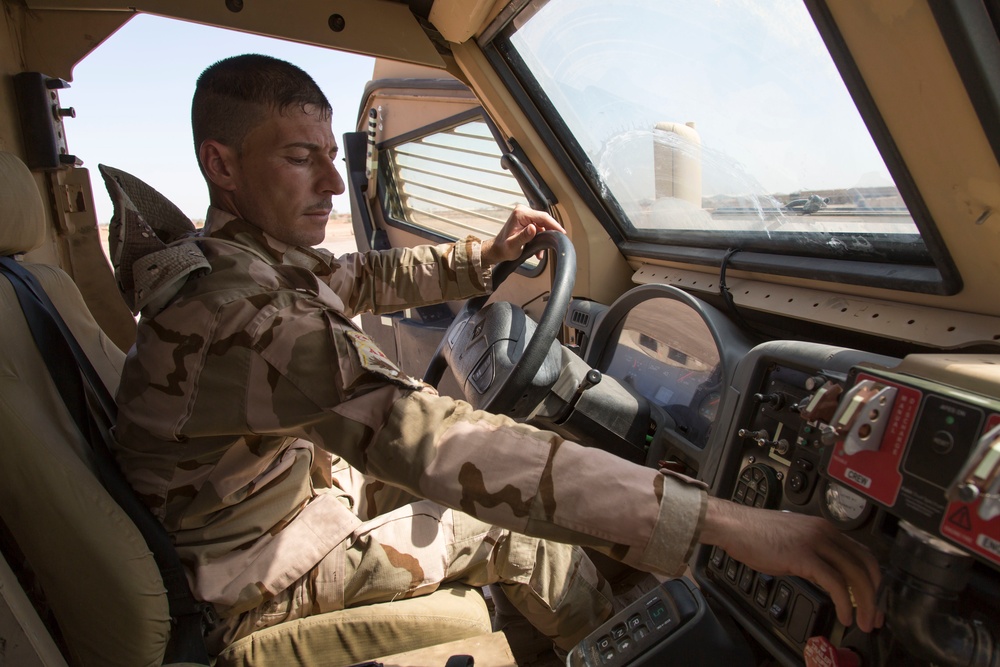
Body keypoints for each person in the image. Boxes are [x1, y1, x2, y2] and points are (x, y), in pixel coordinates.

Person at [112, 54, 882, 656]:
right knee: (521, 535)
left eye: (328, 155)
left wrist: (486, 257)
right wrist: (725, 522)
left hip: (289, 504)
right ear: (222, 165)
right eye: (297, 159)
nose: (331, 184)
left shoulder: (251, 259)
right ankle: (618, 647)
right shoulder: (245, 313)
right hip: (251, 579)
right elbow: (439, 440)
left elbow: (364, 275)